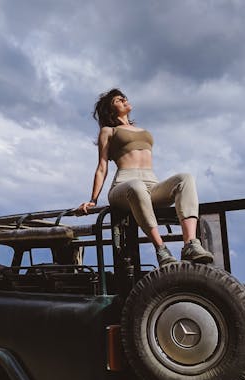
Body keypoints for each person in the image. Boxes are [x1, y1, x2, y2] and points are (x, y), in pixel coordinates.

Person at [77, 88, 213, 266]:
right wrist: (93, 199)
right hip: (124, 186)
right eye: (119, 100)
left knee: (184, 179)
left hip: (152, 184)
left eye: (124, 97)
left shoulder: (140, 129)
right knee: (136, 187)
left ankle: (190, 244)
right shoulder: (109, 131)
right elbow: (102, 167)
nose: (125, 100)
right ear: (110, 109)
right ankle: (161, 250)